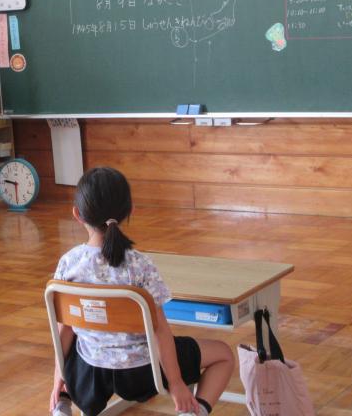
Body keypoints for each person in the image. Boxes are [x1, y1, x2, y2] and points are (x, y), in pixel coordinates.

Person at [49, 167, 234, 416]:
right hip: (142, 374)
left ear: (77, 215)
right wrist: (176, 383)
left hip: (89, 375)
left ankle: (62, 404)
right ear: (130, 211)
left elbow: (64, 330)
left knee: (75, 343)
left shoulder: (68, 264)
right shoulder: (139, 265)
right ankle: (194, 411)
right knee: (223, 354)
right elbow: (160, 331)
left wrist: (58, 380)